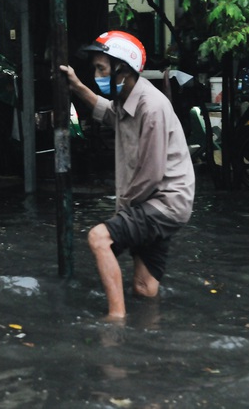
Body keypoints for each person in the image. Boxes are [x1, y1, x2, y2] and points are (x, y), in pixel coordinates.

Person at [59, 30, 195, 320]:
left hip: (162, 203)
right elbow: (107, 112)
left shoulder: (152, 107)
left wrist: (121, 216)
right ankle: (148, 336)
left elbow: (150, 176)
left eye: (101, 68)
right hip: (157, 203)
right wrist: (77, 86)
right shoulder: (126, 98)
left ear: (122, 69)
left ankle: (116, 320)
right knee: (144, 289)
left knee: (99, 238)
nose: (97, 74)